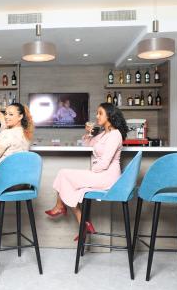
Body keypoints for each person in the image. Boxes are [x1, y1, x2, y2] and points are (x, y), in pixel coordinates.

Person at [45, 103, 128, 240]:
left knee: (63, 173)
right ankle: (82, 223)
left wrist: (91, 170)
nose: (97, 116)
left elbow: (105, 163)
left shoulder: (115, 135)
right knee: (71, 187)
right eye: (97, 113)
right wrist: (88, 133)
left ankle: (60, 206)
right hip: (101, 174)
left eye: (100, 113)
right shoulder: (104, 134)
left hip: (108, 177)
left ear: (110, 115)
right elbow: (87, 144)